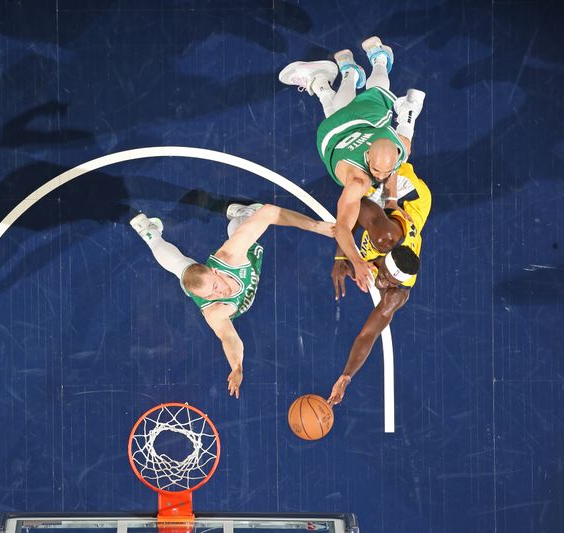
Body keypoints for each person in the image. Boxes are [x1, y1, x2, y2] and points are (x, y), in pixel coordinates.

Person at [130, 203, 334, 399]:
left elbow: (269, 213)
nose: (218, 295)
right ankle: (150, 234)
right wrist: (237, 366)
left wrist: (316, 227)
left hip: (240, 261)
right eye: (210, 296)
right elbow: (229, 338)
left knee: (244, 233)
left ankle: (244, 214)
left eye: (216, 288)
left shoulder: (230, 257)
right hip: (206, 281)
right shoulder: (214, 310)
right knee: (181, 268)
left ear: (216, 271)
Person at [279, 36, 425, 292]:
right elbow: (342, 228)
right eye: (376, 170)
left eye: (386, 170)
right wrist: (356, 261)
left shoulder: (398, 149)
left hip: (354, 126)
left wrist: (391, 201)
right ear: (368, 155)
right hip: (336, 136)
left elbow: (394, 159)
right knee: (352, 104)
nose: (379, 176)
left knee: (368, 100)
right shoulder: (359, 182)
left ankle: (348, 74)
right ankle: (380, 58)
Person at [325, 162, 432, 405]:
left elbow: (368, 334)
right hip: (407, 195)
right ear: (384, 258)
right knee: (369, 175)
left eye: (388, 283)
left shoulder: (397, 293)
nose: (381, 283)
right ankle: (403, 133)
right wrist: (342, 256)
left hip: (415, 215)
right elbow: (351, 208)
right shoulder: (383, 236)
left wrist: (345, 377)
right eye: (383, 276)